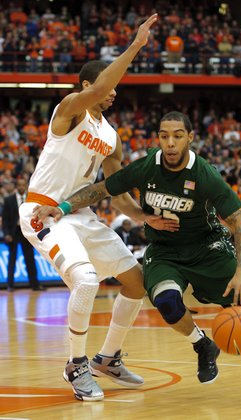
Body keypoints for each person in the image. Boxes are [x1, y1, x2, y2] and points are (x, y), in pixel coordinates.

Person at [35, 111, 241, 399]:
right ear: (159, 139)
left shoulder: (204, 174)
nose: (170, 142)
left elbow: (240, 222)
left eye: (178, 136)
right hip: (165, 251)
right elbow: (103, 189)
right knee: (166, 301)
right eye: (165, 136)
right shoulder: (146, 167)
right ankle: (202, 343)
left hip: (208, 248)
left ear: (190, 138)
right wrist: (63, 208)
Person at [19, 14, 177, 403]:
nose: (114, 92)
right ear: (89, 85)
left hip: (80, 215)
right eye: (107, 85)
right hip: (44, 211)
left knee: (137, 280)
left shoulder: (111, 136)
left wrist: (144, 216)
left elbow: (116, 191)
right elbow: (105, 83)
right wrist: (137, 44)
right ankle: (76, 364)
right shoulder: (69, 108)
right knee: (87, 281)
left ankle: (108, 357)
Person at [2, 179, 45, 292]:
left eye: (23, 185)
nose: (21, 187)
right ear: (16, 186)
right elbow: (5, 220)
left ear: (26, 186)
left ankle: (35, 284)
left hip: (27, 232)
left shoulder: (31, 201)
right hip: (14, 232)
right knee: (12, 259)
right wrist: (6, 233)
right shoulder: (8, 200)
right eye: (19, 185)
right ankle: (10, 285)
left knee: (30, 258)